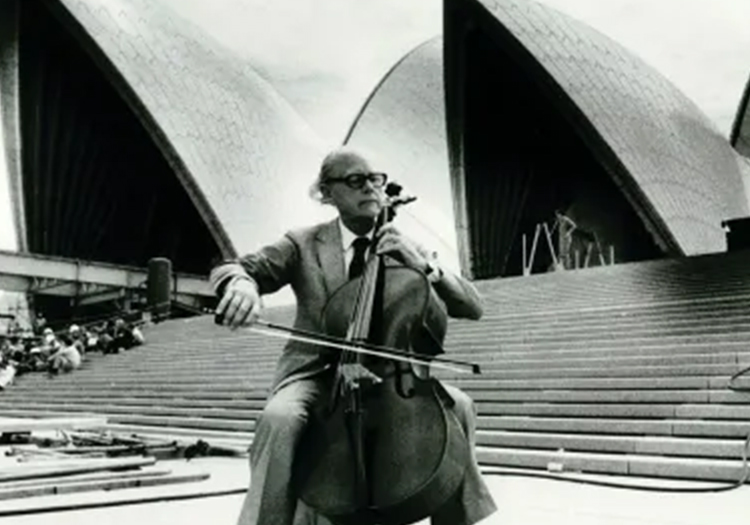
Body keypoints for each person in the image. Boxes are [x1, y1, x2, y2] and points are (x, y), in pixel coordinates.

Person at [212, 148, 497, 525]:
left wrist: (426, 267)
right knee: (280, 418)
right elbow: (236, 267)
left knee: (457, 407)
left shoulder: (404, 247)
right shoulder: (302, 243)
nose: (369, 187)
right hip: (315, 373)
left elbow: (473, 307)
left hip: (391, 377)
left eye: (375, 179)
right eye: (355, 180)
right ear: (327, 194)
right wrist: (242, 285)